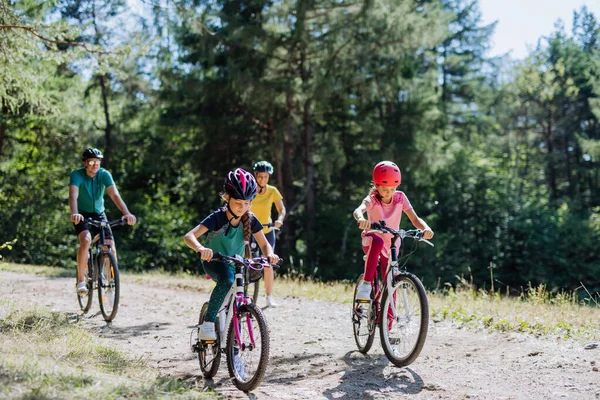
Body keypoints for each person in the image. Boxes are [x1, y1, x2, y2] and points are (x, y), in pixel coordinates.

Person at [184, 168, 279, 341]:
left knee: (239, 296)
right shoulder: (217, 217)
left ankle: (234, 338)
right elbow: (189, 236)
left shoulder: (250, 219)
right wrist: (200, 249)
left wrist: (270, 255)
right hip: (214, 261)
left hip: (237, 263)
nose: (243, 208)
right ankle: (208, 323)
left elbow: (265, 244)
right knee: (227, 280)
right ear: (227, 198)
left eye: (247, 203)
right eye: (238, 203)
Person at [352, 161, 434, 301]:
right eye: (385, 189)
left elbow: (415, 219)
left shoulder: (400, 198)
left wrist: (426, 228)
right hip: (372, 239)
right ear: (376, 186)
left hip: (391, 245)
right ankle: (366, 285)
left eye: (392, 189)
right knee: (377, 242)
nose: (389, 193)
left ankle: (387, 320)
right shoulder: (372, 199)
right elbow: (358, 210)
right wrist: (361, 219)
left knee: (390, 280)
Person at [69, 148, 136, 296]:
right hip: (81, 214)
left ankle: (111, 283)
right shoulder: (77, 175)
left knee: (110, 247)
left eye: (98, 162)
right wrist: (75, 213)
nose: (95, 165)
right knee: (86, 241)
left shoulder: (104, 174)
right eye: (92, 162)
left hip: (99, 213)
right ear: (84, 163)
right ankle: (81, 281)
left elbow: (114, 195)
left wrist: (127, 213)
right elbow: (73, 196)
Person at [250, 160, 286, 307]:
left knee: (268, 263)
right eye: (260, 177)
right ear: (255, 175)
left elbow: (281, 210)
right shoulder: (250, 190)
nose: (263, 180)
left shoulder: (272, 191)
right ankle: (244, 292)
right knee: (247, 260)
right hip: (251, 230)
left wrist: (280, 220)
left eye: (265, 177)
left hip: (267, 230)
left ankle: (269, 296)